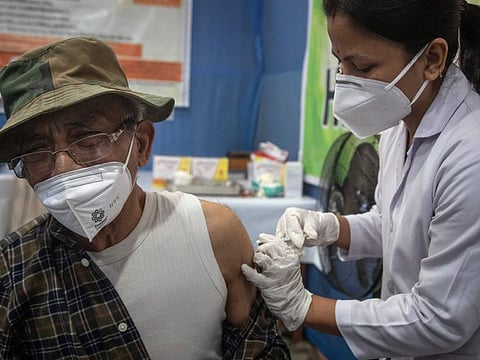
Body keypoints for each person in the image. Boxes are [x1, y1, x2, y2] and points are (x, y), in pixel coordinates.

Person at [0, 37, 290, 359]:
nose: (63, 169)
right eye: (38, 150)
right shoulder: (13, 270)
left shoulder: (212, 235)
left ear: (141, 143)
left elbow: (259, 349)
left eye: (88, 138)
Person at [242, 0, 480, 359]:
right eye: (339, 61)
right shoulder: (400, 127)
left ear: (432, 59)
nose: (345, 80)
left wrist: (302, 305)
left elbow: (438, 318)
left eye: (362, 66)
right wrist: (328, 227)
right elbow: (394, 223)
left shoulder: (470, 155)